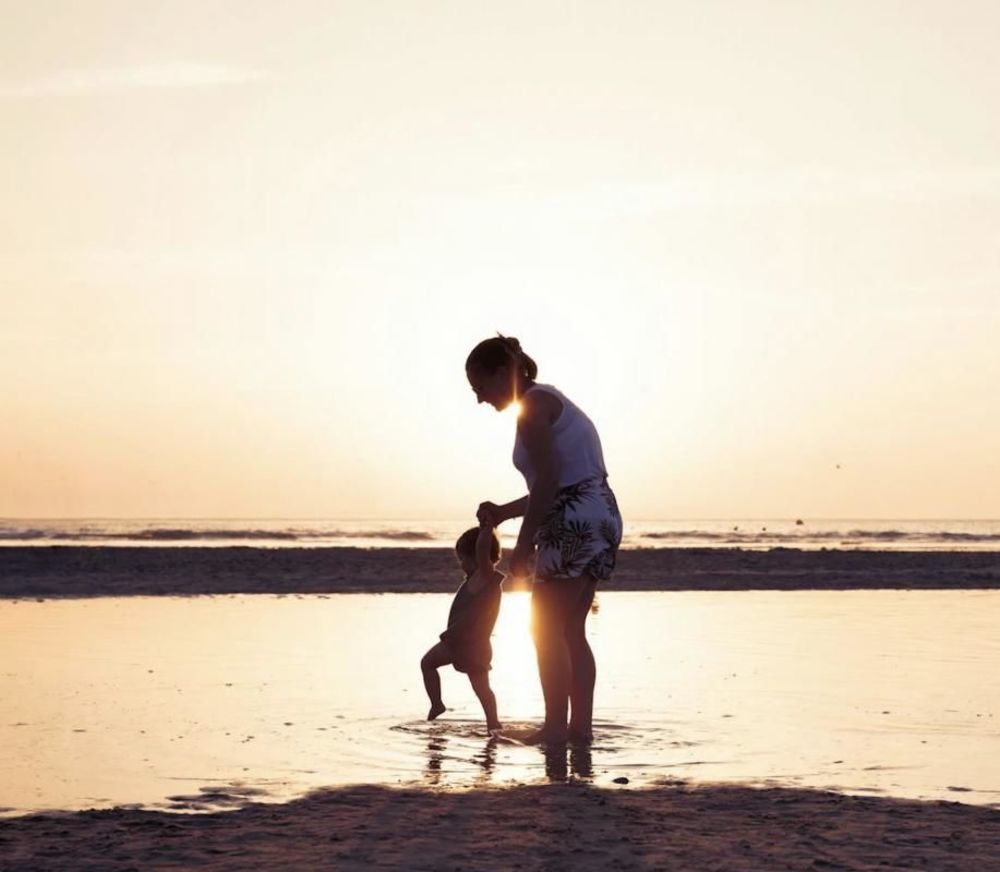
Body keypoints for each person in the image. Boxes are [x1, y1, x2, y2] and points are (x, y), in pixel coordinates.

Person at [467, 335, 622, 744]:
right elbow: (560, 482)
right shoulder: (549, 399)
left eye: (480, 386)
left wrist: (522, 547)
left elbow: (550, 484)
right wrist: (503, 512)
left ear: (504, 372)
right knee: (571, 631)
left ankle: (555, 729)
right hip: (599, 513)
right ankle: (579, 730)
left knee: (545, 628)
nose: (479, 398)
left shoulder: (533, 408)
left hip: (572, 521)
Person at [420, 524, 505, 732]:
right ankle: (438, 704)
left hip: (469, 645)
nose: (461, 565)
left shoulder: (485, 578)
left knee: (482, 689)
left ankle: (493, 723)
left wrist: (487, 527)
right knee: (428, 663)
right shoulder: (475, 580)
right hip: (458, 641)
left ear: (477, 557)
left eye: (463, 559)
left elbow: (482, 549)